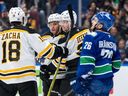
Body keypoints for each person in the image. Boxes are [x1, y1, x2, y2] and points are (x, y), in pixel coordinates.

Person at [0, 7, 68, 96]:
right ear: (23, 19)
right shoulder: (29, 33)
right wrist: (61, 50)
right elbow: (48, 51)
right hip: (25, 78)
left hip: (4, 78)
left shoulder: (1, 34)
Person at [71, 11, 121, 96]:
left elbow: (87, 62)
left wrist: (80, 79)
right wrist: (105, 71)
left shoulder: (91, 36)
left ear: (100, 25)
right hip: (108, 82)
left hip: (94, 81)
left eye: (94, 21)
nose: (92, 22)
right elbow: (117, 65)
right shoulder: (112, 40)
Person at [59, 10, 90, 95]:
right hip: (88, 69)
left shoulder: (63, 40)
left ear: (71, 22)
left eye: (64, 22)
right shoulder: (86, 30)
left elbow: (63, 60)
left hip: (74, 71)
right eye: (61, 22)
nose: (61, 24)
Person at [39, 13, 68, 96]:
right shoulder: (44, 37)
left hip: (59, 76)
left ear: (60, 24)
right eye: (50, 24)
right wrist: (42, 64)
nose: (52, 27)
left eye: (55, 24)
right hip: (46, 76)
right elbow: (39, 54)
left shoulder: (64, 37)